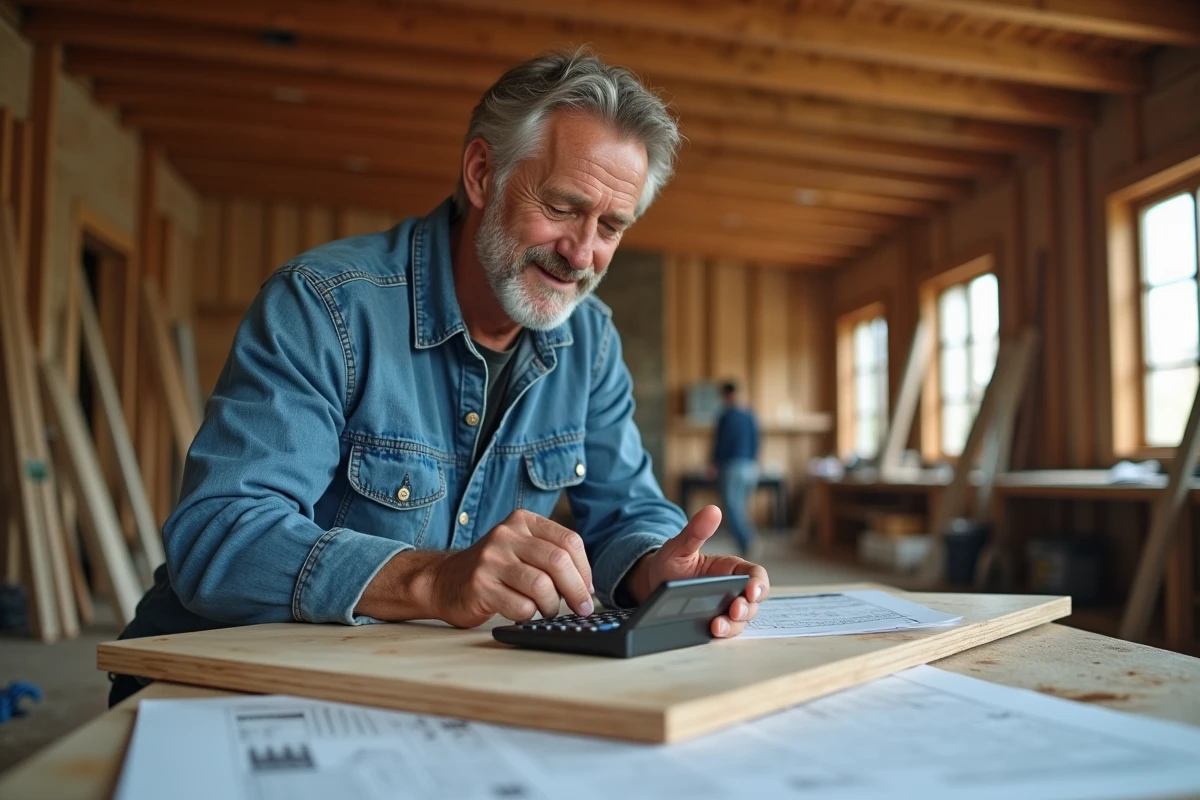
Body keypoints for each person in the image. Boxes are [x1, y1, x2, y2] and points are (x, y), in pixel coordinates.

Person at [109, 51, 770, 706]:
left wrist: (656, 566)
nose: (582, 253)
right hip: (218, 686)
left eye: (611, 227)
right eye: (564, 207)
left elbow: (628, 508)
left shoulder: (590, 341)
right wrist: (432, 580)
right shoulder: (325, 304)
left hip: (403, 686)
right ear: (482, 173)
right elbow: (218, 535)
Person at [711, 382, 761, 559]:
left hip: (732, 467)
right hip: (750, 467)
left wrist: (714, 463)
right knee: (740, 508)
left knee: (732, 509)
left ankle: (747, 541)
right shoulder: (750, 415)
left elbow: (720, 443)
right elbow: (757, 441)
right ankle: (746, 542)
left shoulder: (726, 416)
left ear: (725, 395)